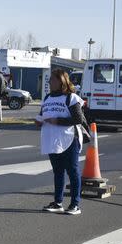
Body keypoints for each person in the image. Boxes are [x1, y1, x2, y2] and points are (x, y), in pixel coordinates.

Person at [36, 69, 87, 216]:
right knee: (57, 171)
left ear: (61, 81)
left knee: (72, 171)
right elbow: (41, 115)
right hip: (52, 140)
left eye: (52, 79)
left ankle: (75, 204)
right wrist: (38, 121)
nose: (49, 82)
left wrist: (58, 121)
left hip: (70, 138)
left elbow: (78, 119)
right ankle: (58, 202)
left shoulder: (71, 97)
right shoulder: (47, 98)